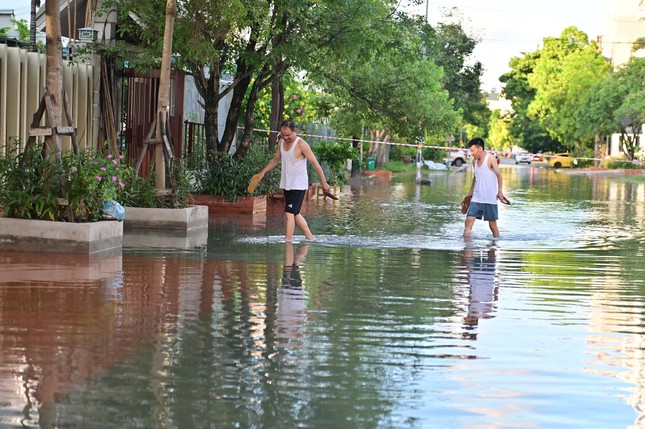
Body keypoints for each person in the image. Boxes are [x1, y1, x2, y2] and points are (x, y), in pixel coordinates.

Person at [256, 119, 332, 241]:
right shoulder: (281, 142)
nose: (285, 137)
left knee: (289, 213)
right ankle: (310, 238)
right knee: (295, 213)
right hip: (287, 184)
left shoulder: (302, 144)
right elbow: (276, 159)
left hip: (298, 185)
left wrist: (323, 182)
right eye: (283, 134)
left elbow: (315, 163)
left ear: (294, 131)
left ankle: (288, 242)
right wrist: (262, 172)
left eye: (288, 135)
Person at [463, 137, 508, 238]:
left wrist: (500, 191)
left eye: (472, 151)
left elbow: (499, 175)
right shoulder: (474, 162)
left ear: (480, 149)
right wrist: (470, 192)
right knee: (468, 223)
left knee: (492, 226)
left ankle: (495, 246)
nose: (471, 154)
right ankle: (466, 248)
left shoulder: (490, 159)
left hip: (490, 198)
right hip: (477, 197)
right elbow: (475, 177)